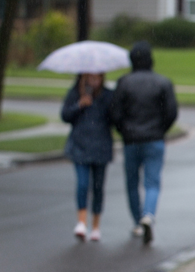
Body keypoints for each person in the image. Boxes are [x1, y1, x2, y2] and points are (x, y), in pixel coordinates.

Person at [109, 41, 178, 245]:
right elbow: (171, 112)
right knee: (152, 181)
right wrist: (160, 130)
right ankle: (149, 213)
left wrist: (124, 130)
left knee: (132, 182)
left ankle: (138, 221)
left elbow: (115, 112)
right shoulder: (163, 83)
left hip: (131, 140)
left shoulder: (124, 83)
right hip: (154, 139)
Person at [61, 72, 114, 242]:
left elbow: (115, 118)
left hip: (101, 147)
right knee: (83, 184)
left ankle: (96, 225)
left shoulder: (107, 95)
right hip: (80, 145)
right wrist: (79, 105)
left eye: (97, 78)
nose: (94, 81)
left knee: (98, 187)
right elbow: (65, 115)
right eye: (91, 78)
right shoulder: (75, 93)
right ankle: (81, 223)